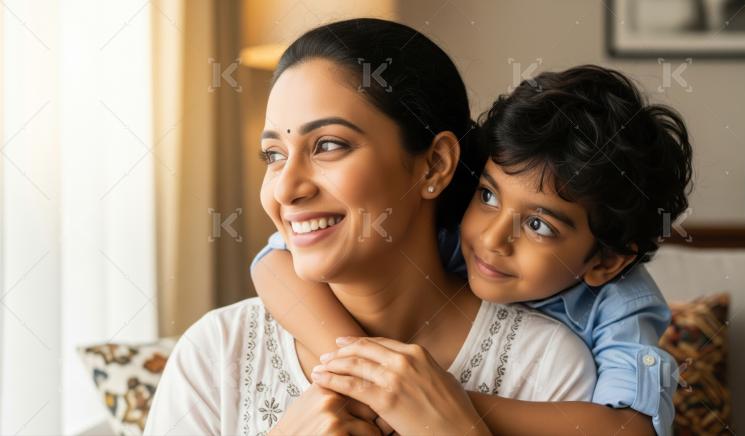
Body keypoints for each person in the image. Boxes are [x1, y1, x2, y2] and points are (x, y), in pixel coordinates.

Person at [144, 18, 596, 436]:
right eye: (273, 155)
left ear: (434, 165)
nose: (286, 190)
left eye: (328, 145)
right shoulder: (217, 352)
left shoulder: (546, 366)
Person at [253, 63, 693, 434]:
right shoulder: (445, 230)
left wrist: (441, 402)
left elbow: (629, 428)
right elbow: (272, 264)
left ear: (607, 260)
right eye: (488, 195)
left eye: (539, 225)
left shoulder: (620, 303)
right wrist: (365, 376)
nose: (491, 238)